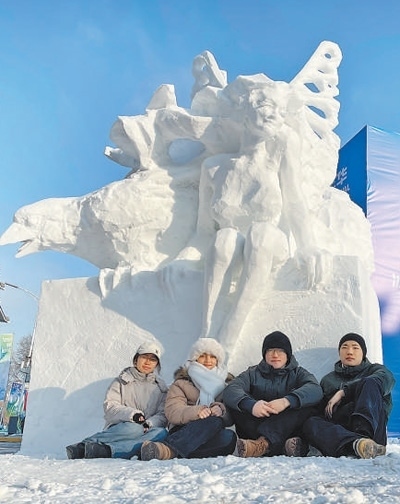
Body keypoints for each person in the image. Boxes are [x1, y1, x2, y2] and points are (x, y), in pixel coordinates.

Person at [223, 331, 323, 457]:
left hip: (287, 428)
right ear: (264, 354)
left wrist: (286, 401)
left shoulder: (298, 373)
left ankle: (262, 445)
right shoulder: (252, 373)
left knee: (305, 406)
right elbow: (231, 389)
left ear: (287, 354)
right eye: (270, 350)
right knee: (236, 403)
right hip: (256, 427)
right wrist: (251, 405)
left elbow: (315, 389)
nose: (275, 355)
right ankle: (284, 447)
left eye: (280, 351)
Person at [66, 341, 168, 459]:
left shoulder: (161, 388)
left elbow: (163, 414)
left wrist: (149, 423)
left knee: (162, 433)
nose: (148, 362)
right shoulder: (122, 381)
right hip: (122, 428)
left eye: (153, 359)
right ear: (136, 359)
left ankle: (106, 451)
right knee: (135, 428)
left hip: (147, 430)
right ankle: (84, 445)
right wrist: (132, 415)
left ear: (157, 365)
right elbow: (110, 406)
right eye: (144, 357)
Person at [140, 337, 237, 460]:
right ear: (195, 358)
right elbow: (173, 411)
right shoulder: (182, 382)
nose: (208, 360)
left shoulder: (226, 384)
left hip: (210, 433)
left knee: (228, 437)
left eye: (213, 356)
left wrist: (221, 410)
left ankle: (173, 451)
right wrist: (197, 412)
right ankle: (168, 449)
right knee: (214, 421)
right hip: (182, 429)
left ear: (218, 360)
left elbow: (232, 415)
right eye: (202, 356)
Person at [302, 333, 395, 459]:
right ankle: (357, 444)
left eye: (355, 347)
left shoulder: (376, 371)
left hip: (373, 431)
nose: (350, 352)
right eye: (344, 347)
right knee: (311, 422)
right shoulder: (328, 380)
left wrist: (344, 392)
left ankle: (364, 439)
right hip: (343, 433)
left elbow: (387, 380)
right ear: (339, 353)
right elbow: (321, 412)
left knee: (369, 383)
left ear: (363, 353)